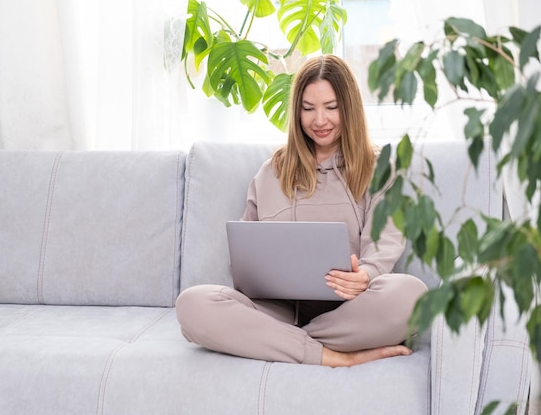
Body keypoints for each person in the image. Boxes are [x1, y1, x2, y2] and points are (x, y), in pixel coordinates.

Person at [175, 54, 428, 368]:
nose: (319, 121)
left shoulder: (379, 169)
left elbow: (385, 242)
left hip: (349, 310)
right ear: (297, 112)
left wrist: (366, 276)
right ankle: (331, 356)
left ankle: (276, 343)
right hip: (276, 310)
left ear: (349, 107)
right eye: (308, 109)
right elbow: (247, 249)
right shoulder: (272, 171)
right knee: (192, 305)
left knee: (411, 295)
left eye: (331, 107)